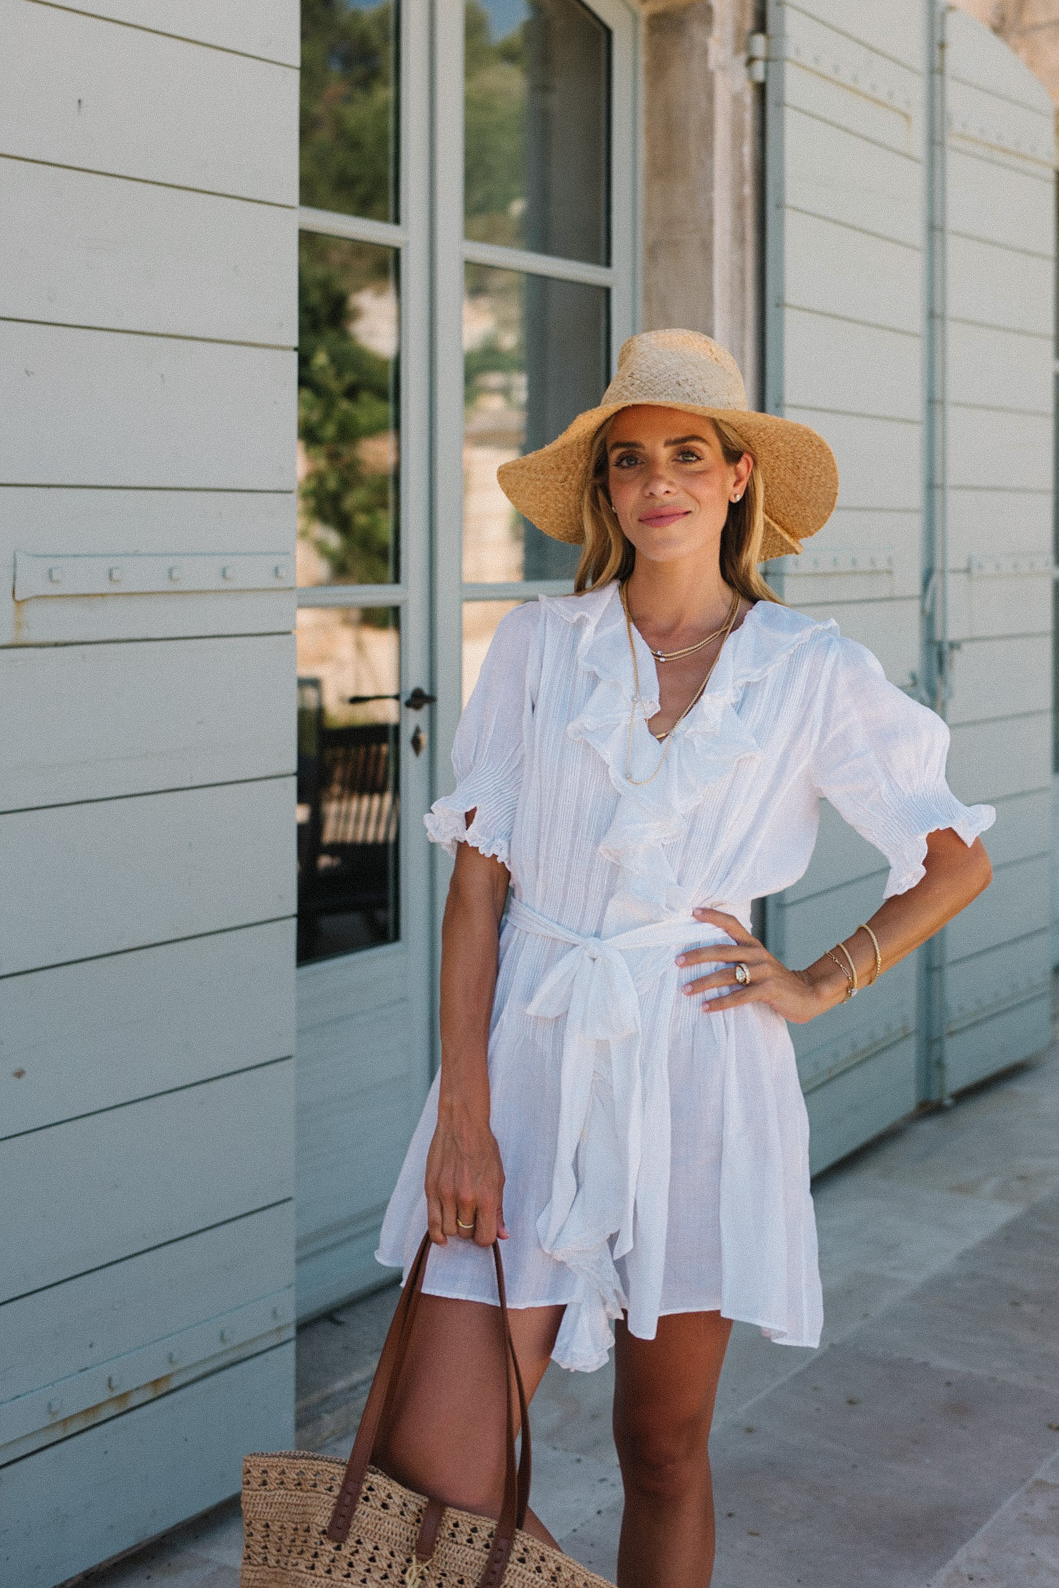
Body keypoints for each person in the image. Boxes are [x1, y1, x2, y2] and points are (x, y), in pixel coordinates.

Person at [375, 328, 993, 1588]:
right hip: (531, 1058)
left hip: (706, 1070)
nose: (657, 480)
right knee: (434, 1469)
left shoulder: (811, 672)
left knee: (663, 1449)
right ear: (605, 491)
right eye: (628, 461)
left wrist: (824, 978)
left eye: (686, 453)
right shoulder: (540, 650)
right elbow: (475, 893)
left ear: (734, 478)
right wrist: (462, 1116)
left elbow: (953, 855)